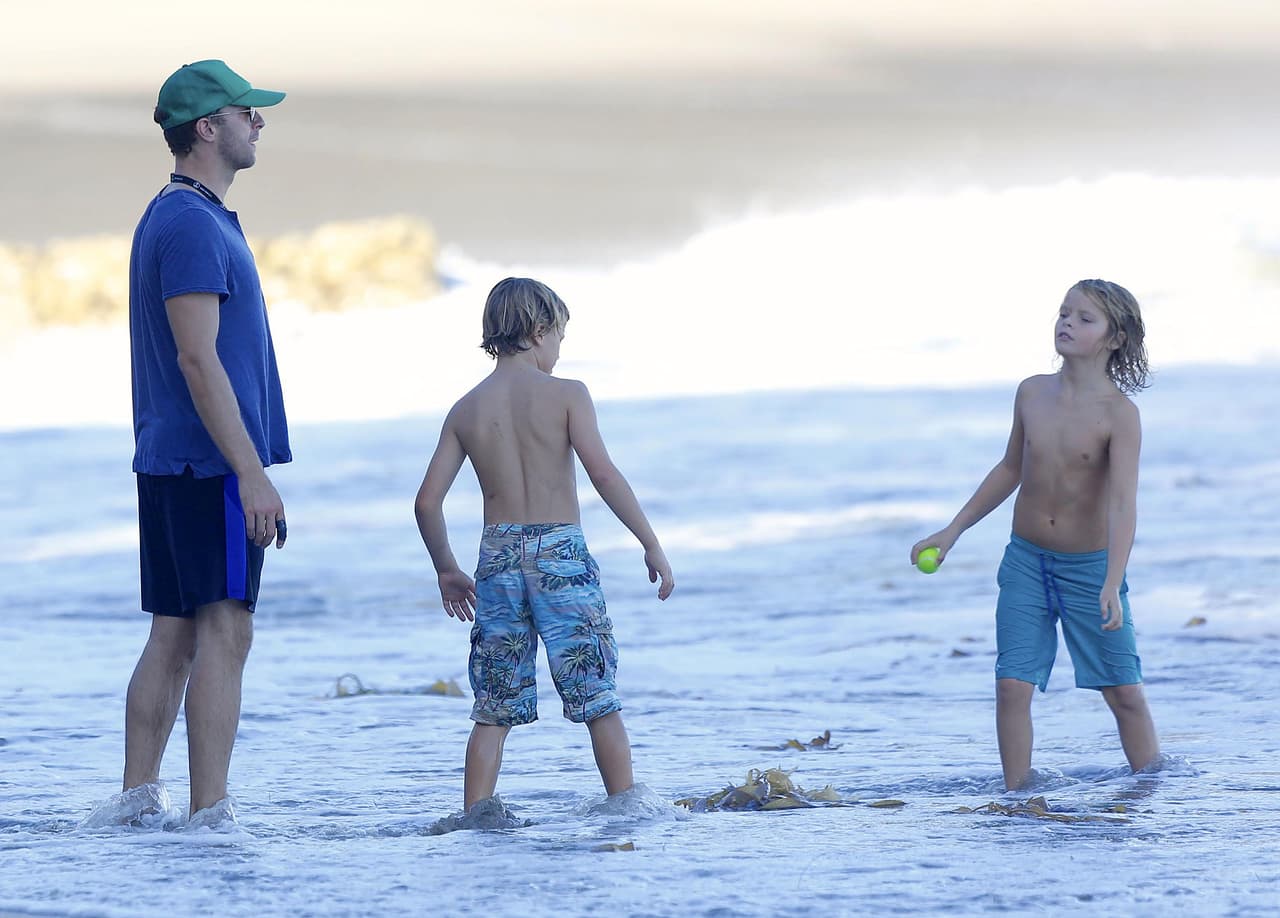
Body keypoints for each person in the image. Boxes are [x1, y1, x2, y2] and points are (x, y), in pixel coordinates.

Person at [85, 61, 291, 829]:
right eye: (247, 112)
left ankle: (138, 805)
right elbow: (198, 359)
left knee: (174, 632)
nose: (259, 123)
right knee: (224, 629)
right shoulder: (190, 224)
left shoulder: (178, 215)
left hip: (175, 455)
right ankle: (211, 816)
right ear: (208, 127)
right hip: (209, 462)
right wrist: (252, 475)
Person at [414, 276, 674, 814]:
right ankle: (625, 806)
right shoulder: (568, 395)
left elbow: (426, 503)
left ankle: (476, 815)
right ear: (538, 331)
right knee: (597, 696)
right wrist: (650, 542)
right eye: (559, 337)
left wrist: (446, 568)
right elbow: (602, 474)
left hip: (497, 559)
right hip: (562, 555)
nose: (559, 352)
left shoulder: (465, 410)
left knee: (494, 706)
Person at [910, 278, 1160, 791]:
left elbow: (1122, 503)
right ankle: (1017, 795)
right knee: (1011, 685)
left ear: (1114, 339)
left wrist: (1112, 581)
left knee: (1124, 693)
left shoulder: (1120, 416)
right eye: (1064, 313)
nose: (1067, 323)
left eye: (1084, 318)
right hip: (1026, 562)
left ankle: (1153, 786)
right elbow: (1009, 469)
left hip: (1090, 570)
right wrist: (953, 530)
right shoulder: (1031, 392)